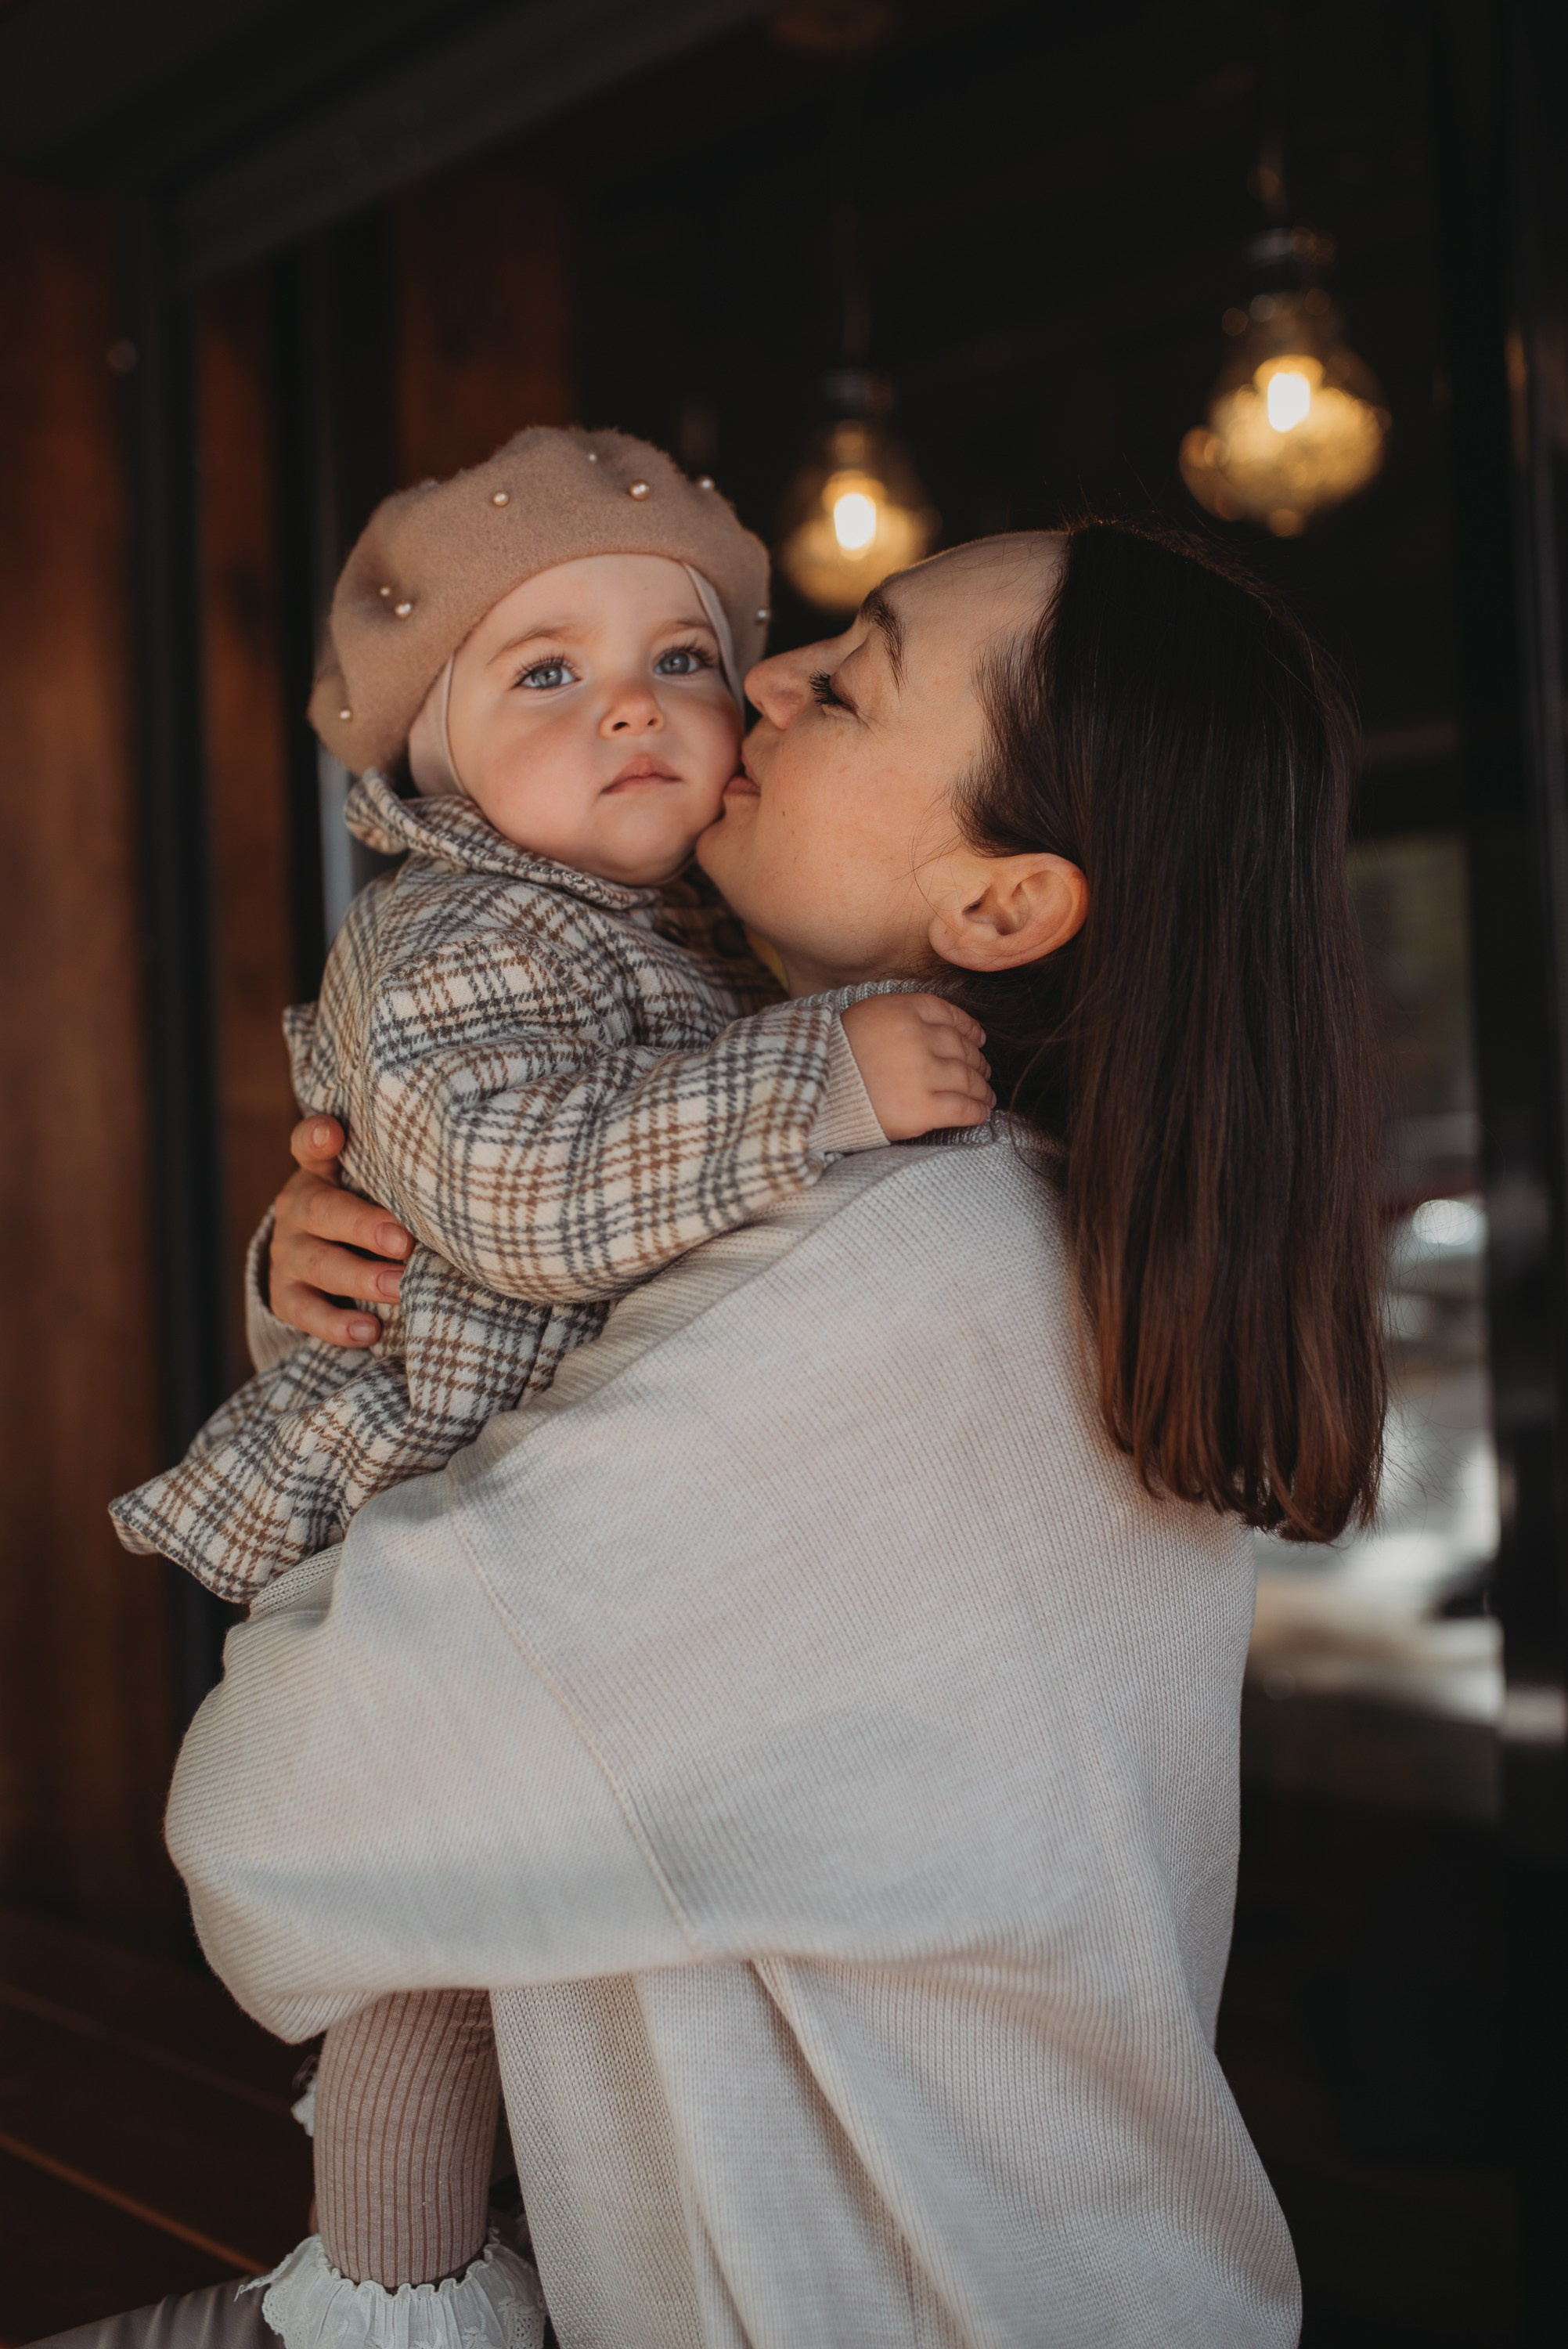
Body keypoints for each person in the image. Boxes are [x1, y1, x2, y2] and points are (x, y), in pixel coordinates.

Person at [82, 521, 1382, 2348]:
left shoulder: (892, 1285)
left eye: (849, 681)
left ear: (1004, 907)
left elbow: (280, 1806)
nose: (758, 682)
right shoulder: (991, 1224)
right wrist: (351, 1278)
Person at [108, 428, 989, 2349]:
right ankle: (388, 2301)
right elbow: (513, 1186)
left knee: (496, 1950)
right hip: (426, 1510)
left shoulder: (691, 936)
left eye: (682, 658)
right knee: (421, 1956)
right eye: (546, 673)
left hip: (568, 1529)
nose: (638, 711)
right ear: (426, 763)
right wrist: (818, 1083)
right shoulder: (454, 931)